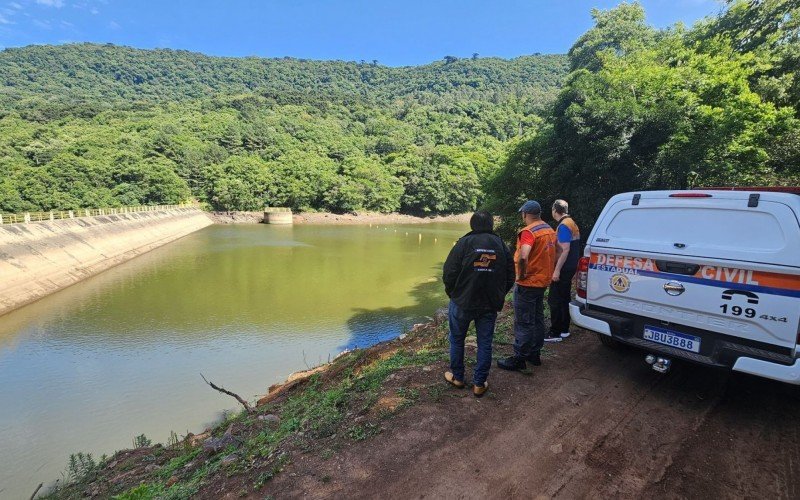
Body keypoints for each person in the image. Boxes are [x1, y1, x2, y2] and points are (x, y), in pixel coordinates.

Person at [442, 210, 514, 397]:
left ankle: (457, 377)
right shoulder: (501, 245)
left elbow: (449, 272)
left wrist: (453, 293)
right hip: (489, 304)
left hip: (462, 302)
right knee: (484, 343)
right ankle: (479, 384)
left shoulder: (464, 243)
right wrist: (498, 295)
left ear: (472, 225)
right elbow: (510, 276)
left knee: (457, 339)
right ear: (491, 225)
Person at [497, 200, 556, 372]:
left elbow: (523, 256)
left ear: (525, 214)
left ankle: (519, 358)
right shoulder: (549, 229)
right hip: (542, 282)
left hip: (528, 283)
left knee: (523, 321)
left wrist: (521, 275)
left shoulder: (528, 232)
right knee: (537, 319)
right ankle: (534, 354)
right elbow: (557, 252)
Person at [545, 199, 581, 342]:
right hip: (571, 265)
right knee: (564, 297)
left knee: (555, 299)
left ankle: (555, 332)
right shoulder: (572, 222)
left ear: (555, 210)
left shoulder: (564, 226)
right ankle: (564, 329)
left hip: (564, 267)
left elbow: (565, 250)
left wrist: (557, 270)